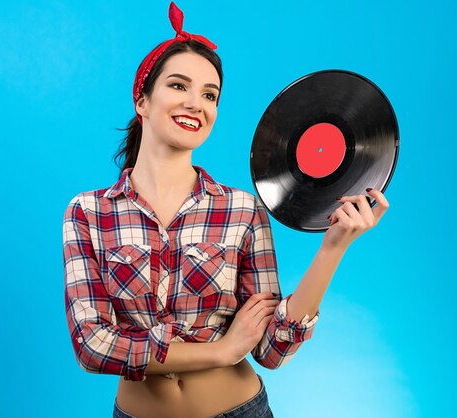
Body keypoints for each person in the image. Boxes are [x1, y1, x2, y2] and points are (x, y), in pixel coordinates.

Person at [62, 3, 390, 417]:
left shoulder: (243, 210)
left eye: (210, 95)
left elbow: (271, 350)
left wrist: (333, 248)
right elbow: (92, 346)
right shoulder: (88, 213)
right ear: (142, 101)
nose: (196, 104)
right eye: (179, 86)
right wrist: (220, 352)